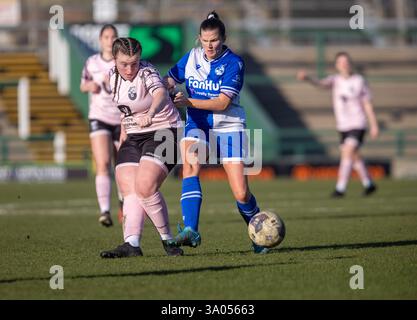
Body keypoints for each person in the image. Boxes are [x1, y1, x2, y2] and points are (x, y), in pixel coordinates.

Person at [164, 11, 269, 254]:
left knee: (241, 193)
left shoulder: (235, 63)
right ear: (198, 39)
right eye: (204, 40)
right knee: (190, 165)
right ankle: (190, 229)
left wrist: (188, 102)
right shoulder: (191, 57)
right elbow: (169, 80)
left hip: (229, 126)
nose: (209, 45)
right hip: (198, 124)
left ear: (223, 38)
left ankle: (259, 235)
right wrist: (154, 85)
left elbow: (222, 103)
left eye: (214, 40)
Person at [100, 37, 184, 258]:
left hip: (165, 131)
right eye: (124, 64)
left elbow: (159, 94)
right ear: (115, 60)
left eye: (134, 63)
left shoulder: (147, 71)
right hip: (133, 136)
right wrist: (124, 134)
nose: (129, 69)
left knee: (145, 186)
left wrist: (151, 114)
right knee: (128, 186)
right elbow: (125, 109)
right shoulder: (112, 76)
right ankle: (132, 244)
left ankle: (168, 241)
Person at [297, 51, 379, 197]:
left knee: (347, 151)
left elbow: (367, 104)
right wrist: (308, 78)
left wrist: (374, 124)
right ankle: (369, 184)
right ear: (336, 65)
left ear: (350, 63)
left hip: (358, 123)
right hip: (343, 126)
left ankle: (340, 188)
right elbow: (321, 84)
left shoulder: (359, 80)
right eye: (341, 62)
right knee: (354, 156)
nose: (344, 64)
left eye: (346, 61)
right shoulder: (335, 80)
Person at [80, 24, 123, 227]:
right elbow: (83, 84)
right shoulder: (92, 62)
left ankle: (124, 204)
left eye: (113, 36)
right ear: (100, 40)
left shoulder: (123, 62)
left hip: (122, 118)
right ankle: (105, 211)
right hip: (99, 116)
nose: (109, 40)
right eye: (106, 36)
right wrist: (91, 85)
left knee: (122, 166)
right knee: (103, 163)